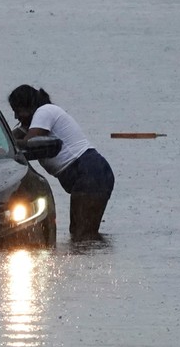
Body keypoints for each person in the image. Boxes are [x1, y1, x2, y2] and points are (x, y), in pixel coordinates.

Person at [8, 85, 115, 241]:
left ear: (28, 106)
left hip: (90, 171)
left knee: (82, 234)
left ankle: (95, 263)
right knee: (82, 235)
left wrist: (5, 146)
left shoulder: (44, 112)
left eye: (17, 110)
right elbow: (10, 137)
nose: (16, 116)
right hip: (93, 173)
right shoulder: (36, 120)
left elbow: (27, 143)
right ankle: (96, 261)